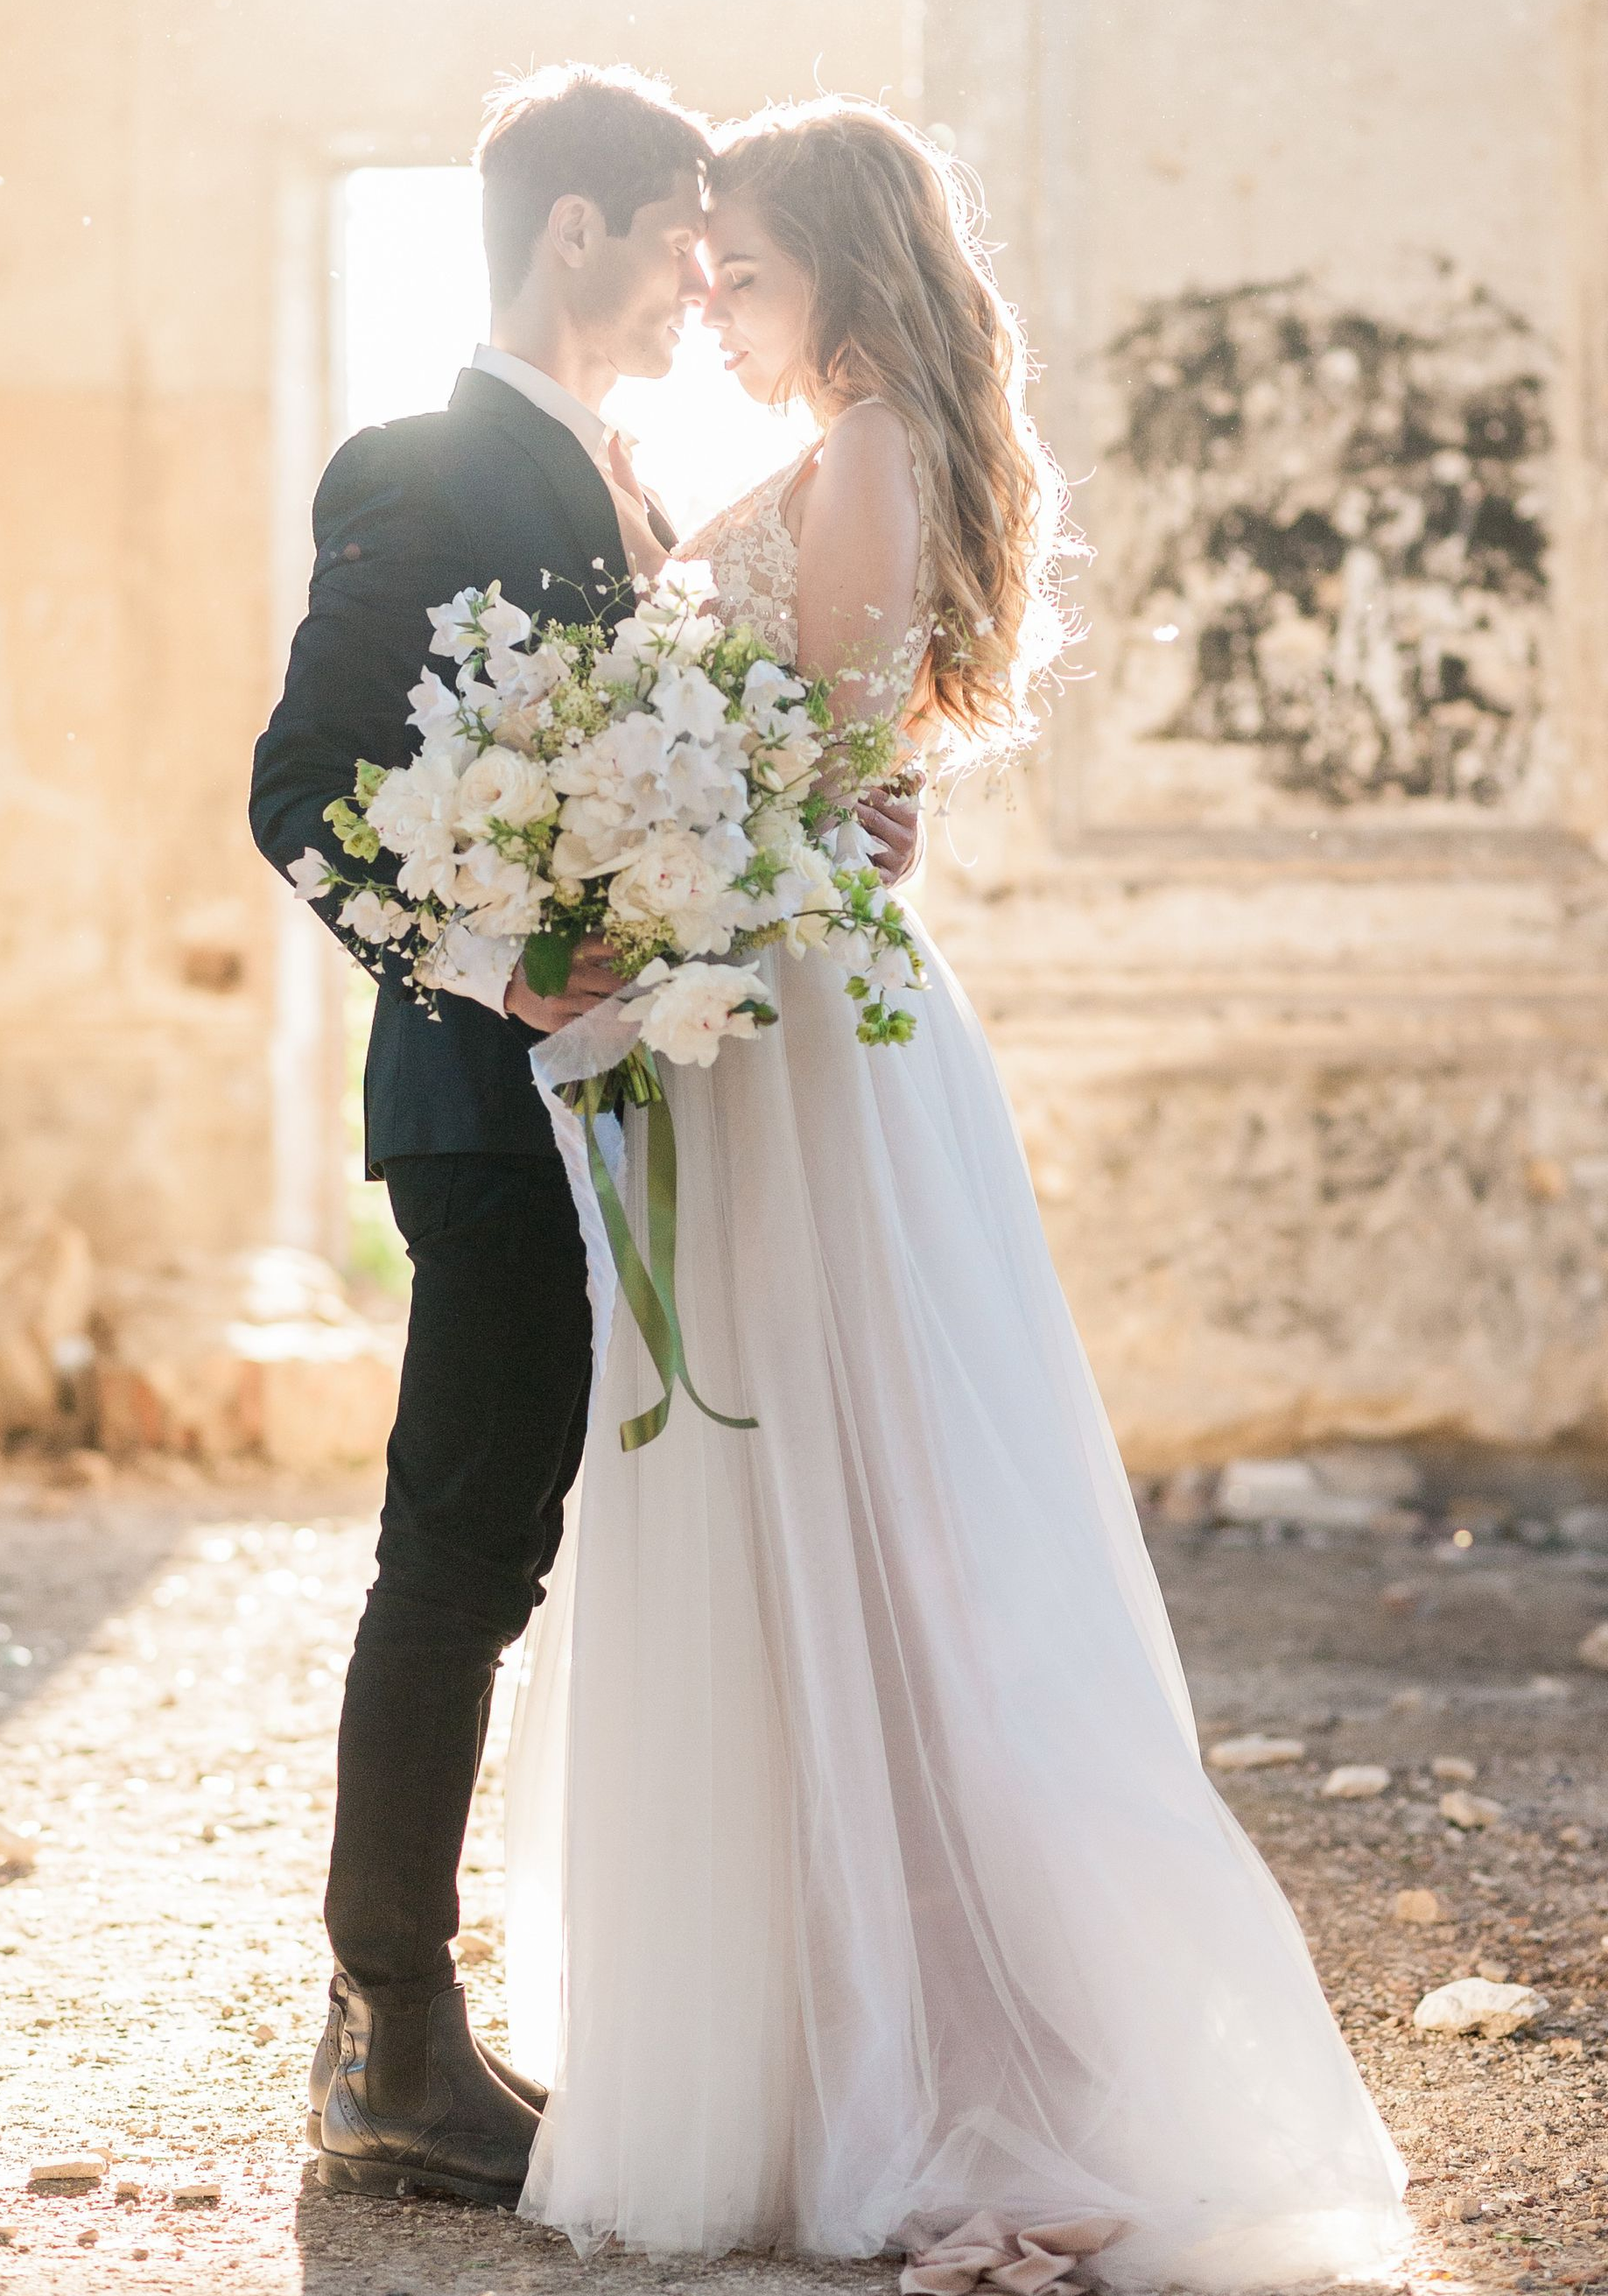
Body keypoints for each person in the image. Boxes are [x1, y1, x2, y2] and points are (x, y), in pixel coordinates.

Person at [503, 98, 1412, 2290]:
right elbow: (833, 767)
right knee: (819, 1512)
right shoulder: (858, 446)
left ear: (845, 270)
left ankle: (950, 2049)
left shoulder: (871, 444)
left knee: (873, 1524)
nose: (719, 312)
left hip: (805, 1028)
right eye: (706, 276)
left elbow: (808, 770)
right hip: (787, 1000)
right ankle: (841, 2024)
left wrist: (635, 835)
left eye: (746, 275)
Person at [247, 65, 887, 2208]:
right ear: (578, 228)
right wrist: (493, 956)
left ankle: (423, 2027)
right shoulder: (420, 461)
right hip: (486, 1098)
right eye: (683, 236)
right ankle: (389, 2035)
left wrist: (806, 821)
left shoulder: (622, 476)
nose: (703, 282)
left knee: (513, 1544)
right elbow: (300, 782)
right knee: (461, 1545)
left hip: (619, 1096)